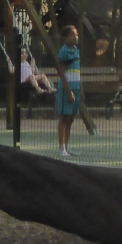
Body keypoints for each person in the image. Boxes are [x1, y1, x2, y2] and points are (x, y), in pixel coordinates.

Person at [56, 24, 80, 158]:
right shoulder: (63, 51)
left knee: (70, 119)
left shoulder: (76, 51)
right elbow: (61, 72)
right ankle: (61, 148)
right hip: (66, 89)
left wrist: (79, 90)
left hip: (76, 88)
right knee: (64, 118)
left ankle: (67, 147)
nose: (75, 37)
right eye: (72, 35)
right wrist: (68, 90)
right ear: (65, 38)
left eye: (76, 34)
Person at [20, 46, 53, 115]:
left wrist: (32, 64)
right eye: (22, 53)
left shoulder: (27, 63)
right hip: (24, 81)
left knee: (43, 76)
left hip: (32, 79)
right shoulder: (19, 64)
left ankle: (50, 88)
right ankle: (38, 89)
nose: (24, 54)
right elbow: (12, 70)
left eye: (25, 53)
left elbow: (32, 71)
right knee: (32, 77)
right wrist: (9, 62)